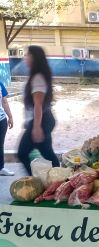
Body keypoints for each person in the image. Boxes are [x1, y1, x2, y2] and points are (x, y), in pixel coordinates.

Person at [17, 46, 60, 175]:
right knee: (47, 153)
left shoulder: (38, 78)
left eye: (27, 55)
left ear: (34, 58)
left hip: (41, 121)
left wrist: (36, 127)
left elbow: (38, 105)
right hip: (42, 120)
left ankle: (39, 181)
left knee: (23, 153)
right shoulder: (36, 76)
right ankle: (56, 179)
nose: (25, 58)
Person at [0, 82, 14, 176]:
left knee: (0, 145)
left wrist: (10, 117)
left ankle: (1, 168)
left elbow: (4, 101)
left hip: (1, 120)